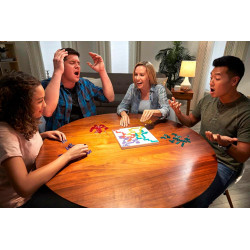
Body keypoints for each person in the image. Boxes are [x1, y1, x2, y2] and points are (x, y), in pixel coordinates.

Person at [169, 56, 250, 208]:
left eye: (217, 78)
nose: (211, 82)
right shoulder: (207, 100)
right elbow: (190, 121)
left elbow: (243, 155)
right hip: (200, 153)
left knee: (195, 201)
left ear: (234, 81)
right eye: (211, 77)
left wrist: (226, 145)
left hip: (225, 164)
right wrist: (179, 114)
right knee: (169, 179)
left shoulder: (246, 112)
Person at [0, 71, 89, 208]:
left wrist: (42, 135)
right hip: (21, 202)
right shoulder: (4, 134)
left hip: (39, 185)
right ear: (20, 106)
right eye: (40, 101)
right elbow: (24, 187)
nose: (45, 105)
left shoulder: (23, 119)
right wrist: (68, 156)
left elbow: (22, 145)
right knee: (80, 201)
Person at [42, 48, 115, 131]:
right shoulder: (47, 85)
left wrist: (102, 70)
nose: (77, 66)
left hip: (88, 131)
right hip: (61, 136)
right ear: (61, 65)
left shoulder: (85, 84)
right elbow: (47, 112)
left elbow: (110, 97)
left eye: (78, 63)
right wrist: (57, 71)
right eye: (72, 63)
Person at [117, 61, 170, 127]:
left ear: (149, 76)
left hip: (154, 126)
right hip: (136, 125)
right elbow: (121, 106)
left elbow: (166, 110)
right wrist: (124, 115)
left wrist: (154, 112)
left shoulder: (159, 89)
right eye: (136, 74)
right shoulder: (132, 87)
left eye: (141, 75)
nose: (137, 78)